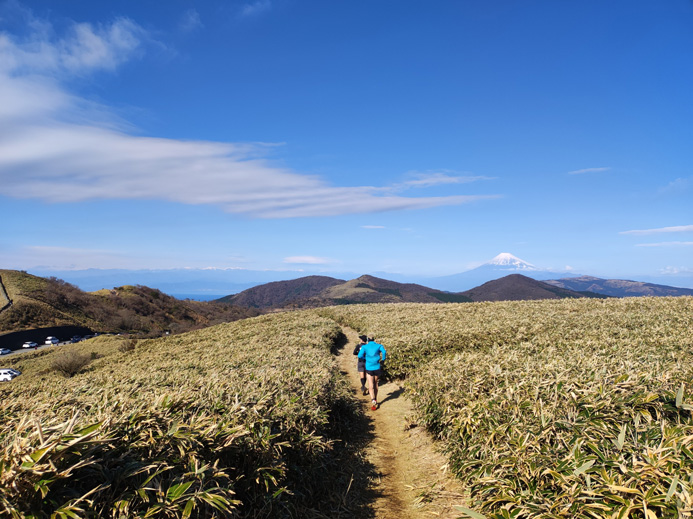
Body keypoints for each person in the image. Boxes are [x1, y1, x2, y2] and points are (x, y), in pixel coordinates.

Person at [357, 336, 386, 411]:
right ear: (374, 339)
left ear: (367, 340)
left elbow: (359, 355)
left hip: (369, 367)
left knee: (370, 384)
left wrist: (365, 358)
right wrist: (383, 359)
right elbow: (384, 352)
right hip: (377, 366)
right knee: (375, 383)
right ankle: (375, 398)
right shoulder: (379, 345)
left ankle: (373, 400)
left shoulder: (365, 346)